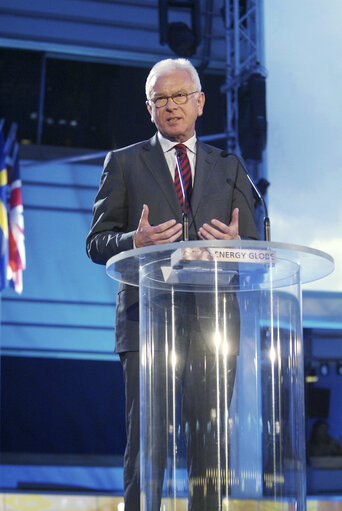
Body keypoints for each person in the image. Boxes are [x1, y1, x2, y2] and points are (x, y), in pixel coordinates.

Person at [86, 57, 259, 510]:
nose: (171, 106)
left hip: (213, 323)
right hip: (147, 322)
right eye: (159, 99)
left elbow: (257, 245)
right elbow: (96, 243)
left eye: (180, 96)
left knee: (211, 447)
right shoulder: (123, 163)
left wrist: (238, 243)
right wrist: (133, 240)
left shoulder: (230, 167)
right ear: (149, 108)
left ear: (200, 102)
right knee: (148, 445)